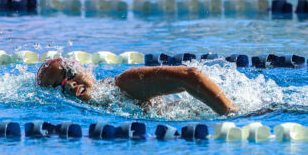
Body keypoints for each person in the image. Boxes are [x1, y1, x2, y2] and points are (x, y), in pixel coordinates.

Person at [37, 58, 238, 115]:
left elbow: (191, 76)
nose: (71, 85)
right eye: (59, 86)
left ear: (85, 70)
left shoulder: (125, 83)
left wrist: (231, 112)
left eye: (70, 75)